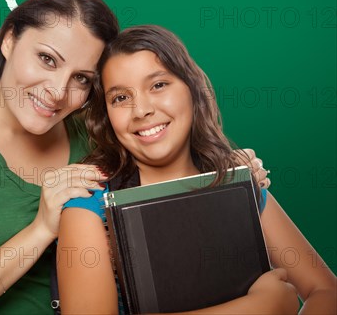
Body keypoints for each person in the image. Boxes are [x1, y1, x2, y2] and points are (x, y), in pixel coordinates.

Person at [0, 0, 268, 314]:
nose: (56, 91)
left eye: (81, 79)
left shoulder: (98, 137)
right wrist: (40, 230)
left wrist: (228, 176)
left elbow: (170, 187)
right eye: (47, 59)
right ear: (8, 40)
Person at [58, 25, 337, 315]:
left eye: (158, 85)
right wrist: (260, 307)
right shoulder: (89, 205)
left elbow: (326, 291)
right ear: (107, 116)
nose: (141, 110)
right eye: (120, 98)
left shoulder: (239, 181)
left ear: (192, 90)